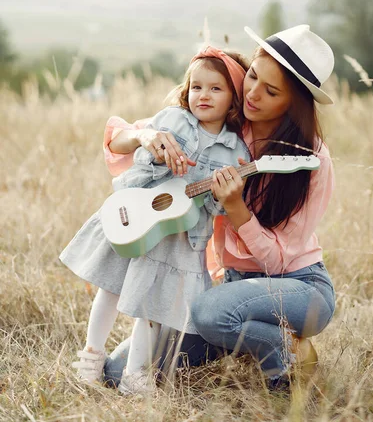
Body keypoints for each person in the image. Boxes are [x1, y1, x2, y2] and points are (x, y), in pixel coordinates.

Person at [101, 24, 336, 391]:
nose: (253, 94)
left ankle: (280, 346)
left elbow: (275, 262)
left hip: (299, 288)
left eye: (270, 91)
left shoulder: (311, 159)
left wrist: (236, 207)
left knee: (209, 312)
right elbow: (117, 140)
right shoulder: (223, 126)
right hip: (234, 287)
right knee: (118, 372)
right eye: (253, 77)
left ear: (294, 103)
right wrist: (147, 137)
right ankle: (243, 333)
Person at [59, 47, 250, 395]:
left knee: (154, 306)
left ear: (234, 100)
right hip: (139, 217)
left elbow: (224, 208)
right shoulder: (173, 120)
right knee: (111, 287)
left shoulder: (236, 152)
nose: (203, 95)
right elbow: (125, 144)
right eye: (196, 87)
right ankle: (91, 356)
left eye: (215, 88)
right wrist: (153, 147)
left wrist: (224, 195)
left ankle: (135, 375)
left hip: (181, 239)